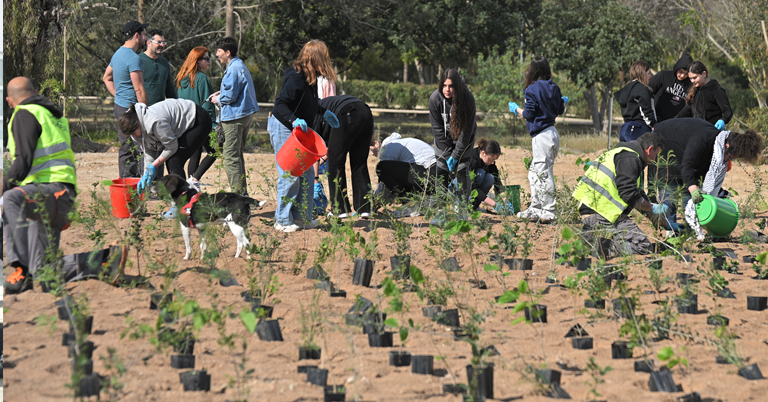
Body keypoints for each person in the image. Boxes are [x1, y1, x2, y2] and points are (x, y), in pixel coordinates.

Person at [2, 77, 126, 293]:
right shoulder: (53, 115)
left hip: (47, 192)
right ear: (36, 91)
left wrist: (4, 186)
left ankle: (18, 268)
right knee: (42, 271)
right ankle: (105, 260)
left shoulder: (25, 113)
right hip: (60, 196)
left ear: (9, 101)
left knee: (11, 198)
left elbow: (23, 162)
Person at [269, 39, 340, 232]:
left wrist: (322, 111)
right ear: (315, 58)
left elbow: (306, 102)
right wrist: (294, 121)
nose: (327, 62)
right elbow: (280, 104)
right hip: (284, 126)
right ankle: (282, 220)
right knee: (290, 173)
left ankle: (303, 218)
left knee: (308, 173)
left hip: (299, 128)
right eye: (324, 58)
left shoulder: (310, 77)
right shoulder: (296, 77)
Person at [572, 132, 676, 256]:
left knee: (638, 242)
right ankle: (596, 246)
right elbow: (628, 194)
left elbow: (638, 198)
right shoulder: (630, 158)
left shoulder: (624, 155)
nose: (655, 160)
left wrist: (667, 225)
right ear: (650, 149)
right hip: (603, 213)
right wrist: (653, 208)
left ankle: (592, 239)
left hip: (597, 211)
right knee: (642, 247)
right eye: (656, 155)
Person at [509, 56, 566, 222]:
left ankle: (549, 210)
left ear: (532, 70)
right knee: (534, 173)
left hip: (542, 136)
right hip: (552, 133)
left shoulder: (531, 90)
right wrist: (563, 103)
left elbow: (529, 114)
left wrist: (516, 109)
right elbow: (559, 111)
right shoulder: (554, 87)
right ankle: (536, 208)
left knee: (543, 173)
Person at [117, 99, 213, 194]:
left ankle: (183, 200)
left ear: (138, 124)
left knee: (174, 160)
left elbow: (172, 147)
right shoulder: (136, 133)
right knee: (172, 160)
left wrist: (154, 165)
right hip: (183, 126)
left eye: (134, 133)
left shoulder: (155, 122)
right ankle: (182, 198)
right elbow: (150, 150)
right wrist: (146, 172)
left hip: (198, 119)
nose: (134, 136)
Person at [683, 129, 763, 240]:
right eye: (730, 157)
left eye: (732, 159)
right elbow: (687, 167)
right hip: (677, 154)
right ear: (726, 146)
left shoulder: (719, 154)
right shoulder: (706, 142)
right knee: (685, 198)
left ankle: (692, 233)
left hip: (690, 169)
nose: (728, 160)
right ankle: (684, 233)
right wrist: (693, 188)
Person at [211, 37, 259, 196]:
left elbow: (230, 97)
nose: (217, 55)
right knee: (237, 155)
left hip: (234, 118)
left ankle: (238, 197)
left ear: (227, 52)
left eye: (219, 51)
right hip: (243, 116)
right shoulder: (239, 65)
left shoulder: (233, 69)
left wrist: (217, 99)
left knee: (230, 157)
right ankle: (242, 194)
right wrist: (222, 93)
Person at [312, 95, 373, 217]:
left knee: (335, 164)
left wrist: (315, 179)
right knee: (359, 163)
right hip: (366, 112)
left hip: (347, 113)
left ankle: (340, 210)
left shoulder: (312, 117)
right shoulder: (322, 106)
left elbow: (314, 153)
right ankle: (364, 208)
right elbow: (332, 150)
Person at [102, 20, 149, 178]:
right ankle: (140, 187)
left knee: (126, 147)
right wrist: (145, 114)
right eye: (144, 34)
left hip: (120, 107)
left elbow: (106, 78)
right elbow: (139, 89)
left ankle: (126, 185)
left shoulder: (118, 54)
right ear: (137, 35)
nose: (145, 38)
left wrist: (118, 95)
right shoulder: (133, 58)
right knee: (141, 148)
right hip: (132, 109)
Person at [429, 69, 477, 215]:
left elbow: (466, 132)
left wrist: (456, 155)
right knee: (441, 170)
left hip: (464, 140)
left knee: (462, 169)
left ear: (457, 86)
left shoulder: (467, 99)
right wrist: (448, 154)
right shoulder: (435, 99)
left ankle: (462, 209)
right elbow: (437, 130)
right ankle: (441, 211)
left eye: (451, 86)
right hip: (443, 141)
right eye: (444, 85)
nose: (447, 90)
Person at [175, 46, 218, 185]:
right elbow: (207, 104)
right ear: (197, 61)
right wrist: (213, 124)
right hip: (201, 122)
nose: (209, 61)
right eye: (206, 59)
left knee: (195, 154)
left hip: (186, 123)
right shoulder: (201, 79)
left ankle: (191, 186)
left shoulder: (182, 78)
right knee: (215, 151)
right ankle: (194, 179)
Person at [370, 132, 437, 199]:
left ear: (376, 143)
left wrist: (376, 199)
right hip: (436, 174)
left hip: (429, 174)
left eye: (371, 150)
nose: (372, 154)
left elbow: (384, 183)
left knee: (381, 167)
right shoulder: (398, 143)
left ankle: (408, 202)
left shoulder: (388, 148)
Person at [675, 61, 733, 130]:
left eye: (695, 77)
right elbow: (687, 110)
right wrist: (673, 121)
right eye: (690, 78)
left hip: (712, 133)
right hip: (697, 132)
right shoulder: (695, 91)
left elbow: (728, 111)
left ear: (704, 74)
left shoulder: (717, 90)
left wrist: (722, 120)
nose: (692, 81)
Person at [312, 73, 337, 215]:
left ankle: (320, 202)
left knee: (320, 164)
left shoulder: (326, 81)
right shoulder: (320, 80)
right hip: (318, 120)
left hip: (322, 119)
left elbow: (330, 103)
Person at [467, 139, 513, 214]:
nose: (492, 162)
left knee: (490, 178)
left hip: (474, 188)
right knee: (480, 173)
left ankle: (474, 206)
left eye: (494, 160)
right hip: (460, 187)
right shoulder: (472, 160)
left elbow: (497, 180)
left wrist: (505, 200)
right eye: (491, 159)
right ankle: (465, 206)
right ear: (483, 153)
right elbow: (473, 188)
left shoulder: (489, 163)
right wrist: (494, 204)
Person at [615, 60, 657, 142]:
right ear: (642, 73)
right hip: (638, 129)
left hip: (624, 129)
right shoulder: (642, 89)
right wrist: (654, 125)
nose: (650, 76)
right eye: (648, 73)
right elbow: (646, 111)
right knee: (642, 154)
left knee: (628, 155)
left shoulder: (627, 89)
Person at [649, 54, 693, 122]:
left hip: (676, 123)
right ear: (677, 68)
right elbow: (647, 92)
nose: (682, 75)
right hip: (656, 119)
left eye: (686, 74)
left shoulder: (691, 85)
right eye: (680, 72)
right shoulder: (663, 76)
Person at [140, 29, 177, 106]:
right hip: (141, 111)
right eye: (159, 42)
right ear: (148, 42)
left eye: (163, 42)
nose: (162, 45)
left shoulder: (164, 63)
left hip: (160, 111)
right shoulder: (137, 61)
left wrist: (176, 106)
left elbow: (170, 89)